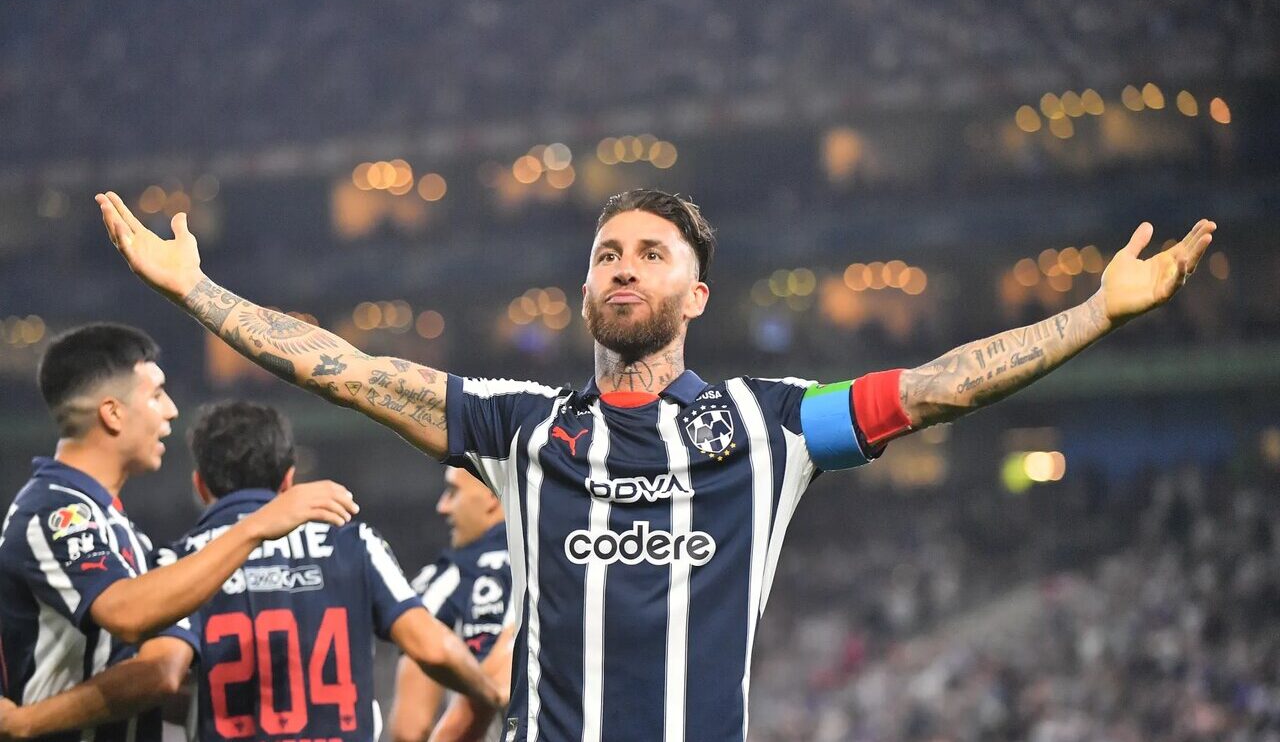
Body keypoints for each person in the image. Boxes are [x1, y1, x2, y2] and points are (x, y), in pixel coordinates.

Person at [95, 188, 1216, 741]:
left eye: (650, 253)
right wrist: (197, 291)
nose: (622, 267)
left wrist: (1092, 314)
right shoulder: (523, 426)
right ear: (585, 291)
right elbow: (348, 371)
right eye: (605, 255)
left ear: (697, 293)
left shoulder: (773, 425)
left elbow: (938, 386)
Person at [0, 323, 359, 741]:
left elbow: (160, 674)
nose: (171, 410)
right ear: (112, 413)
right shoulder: (54, 512)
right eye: (156, 395)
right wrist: (258, 525)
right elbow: (127, 616)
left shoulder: (121, 530)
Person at [170, 400, 502, 742]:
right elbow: (434, 649)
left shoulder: (181, 564)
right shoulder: (355, 544)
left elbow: (164, 673)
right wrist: (491, 692)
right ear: (287, 480)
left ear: (200, 485)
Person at [389, 467, 512, 742]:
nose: (442, 506)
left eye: (453, 492)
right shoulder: (560, 565)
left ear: (493, 495)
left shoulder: (446, 581)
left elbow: (411, 728)